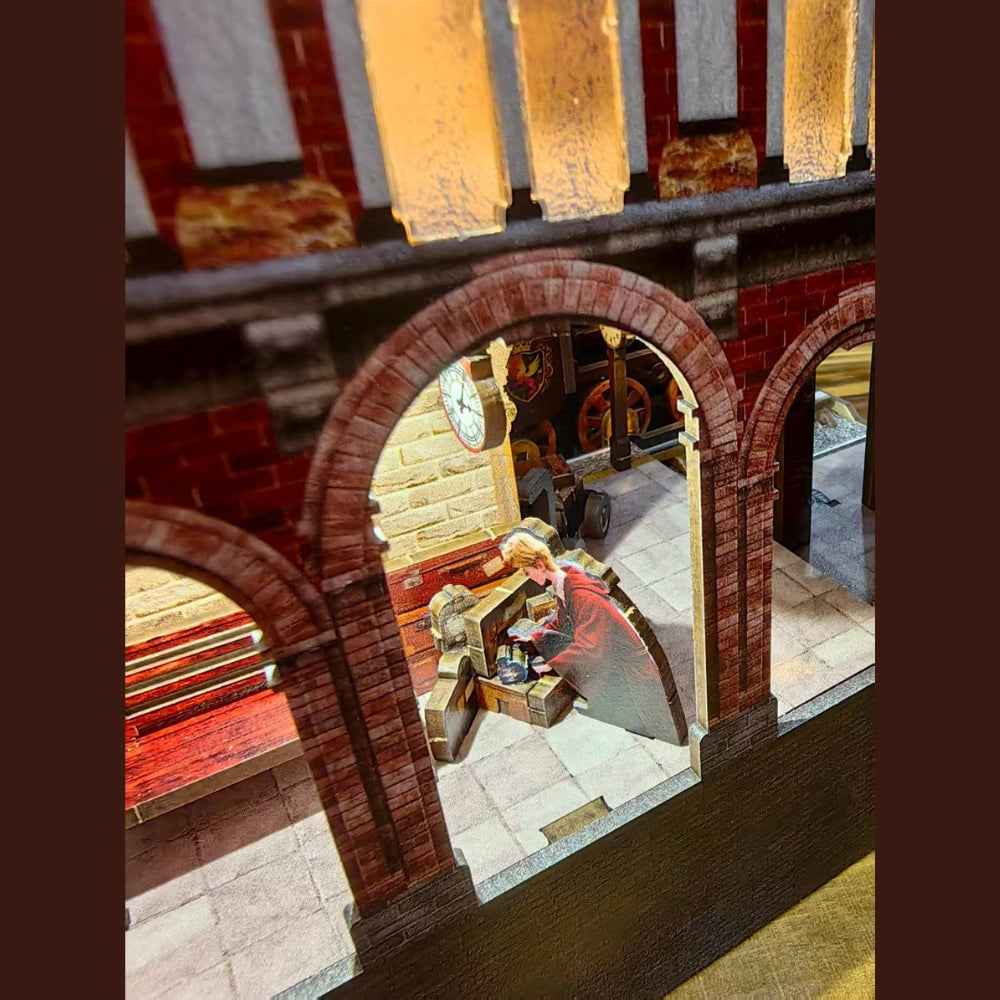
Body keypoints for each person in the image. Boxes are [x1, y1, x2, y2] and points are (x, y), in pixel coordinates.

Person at [499, 530, 678, 742]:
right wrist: (535, 637)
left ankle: (615, 707)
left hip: (633, 674)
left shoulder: (581, 594)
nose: (526, 576)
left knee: (587, 677)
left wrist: (549, 665)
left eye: (526, 571)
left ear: (538, 564)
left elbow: (590, 648)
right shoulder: (564, 579)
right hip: (612, 655)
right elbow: (564, 621)